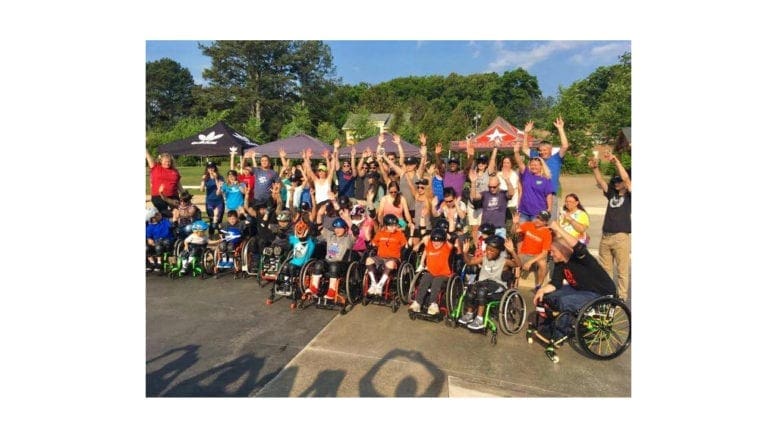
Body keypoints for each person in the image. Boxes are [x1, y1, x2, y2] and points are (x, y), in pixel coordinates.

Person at [533, 219, 617, 338]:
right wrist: (541, 290)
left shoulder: (581, 259)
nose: (551, 254)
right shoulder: (560, 264)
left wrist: (558, 229)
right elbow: (556, 283)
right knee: (549, 297)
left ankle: (559, 334)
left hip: (600, 292)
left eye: (553, 252)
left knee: (565, 302)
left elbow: (578, 246)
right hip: (581, 290)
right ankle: (550, 324)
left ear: (562, 251)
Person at [589, 151, 631, 301]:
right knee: (605, 269)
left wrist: (616, 161)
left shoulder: (630, 195)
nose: (616, 183)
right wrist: (595, 168)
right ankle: (607, 293)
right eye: (615, 181)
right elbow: (601, 182)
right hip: (606, 236)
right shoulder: (612, 194)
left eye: (618, 181)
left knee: (622, 269)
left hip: (621, 236)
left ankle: (622, 297)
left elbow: (626, 178)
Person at [457, 235, 520, 330]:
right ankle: (469, 315)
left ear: (498, 251)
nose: (488, 252)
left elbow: (518, 264)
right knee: (470, 290)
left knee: (482, 291)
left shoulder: (504, 261)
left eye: (492, 251)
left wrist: (512, 251)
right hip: (483, 283)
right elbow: (469, 262)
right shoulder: (484, 258)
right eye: (487, 249)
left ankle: (479, 319)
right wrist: (465, 253)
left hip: (497, 286)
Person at [520, 117, 570, 218]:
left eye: (545, 150)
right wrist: (526, 133)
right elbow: (524, 148)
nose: (542, 152)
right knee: (537, 222)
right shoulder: (536, 157)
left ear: (550, 150)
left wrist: (560, 129)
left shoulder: (556, 158)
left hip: (550, 195)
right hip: (535, 195)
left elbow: (565, 146)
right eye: (540, 150)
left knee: (550, 222)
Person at [304, 216, 356, 302]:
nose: (337, 230)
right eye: (335, 228)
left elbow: (356, 231)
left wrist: (347, 219)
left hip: (342, 263)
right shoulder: (331, 236)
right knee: (318, 264)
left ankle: (332, 290)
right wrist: (314, 225)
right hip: (328, 261)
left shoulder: (349, 238)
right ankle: (314, 287)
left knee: (334, 266)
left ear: (345, 228)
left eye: (340, 228)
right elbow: (320, 228)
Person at [408, 228, 453, 316]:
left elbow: (450, 241)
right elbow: (424, 236)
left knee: (436, 282)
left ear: (443, 241)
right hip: (431, 272)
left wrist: (445, 235)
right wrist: (431, 236)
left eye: (439, 242)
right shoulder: (429, 246)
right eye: (434, 241)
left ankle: (433, 304)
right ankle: (418, 302)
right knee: (424, 279)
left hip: (443, 274)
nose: (436, 243)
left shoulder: (446, 247)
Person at [365, 214, 408, 295]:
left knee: (390, 263)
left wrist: (406, 245)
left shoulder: (400, 234)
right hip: (380, 257)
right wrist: (371, 244)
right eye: (391, 226)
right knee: (368, 260)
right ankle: (374, 283)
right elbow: (374, 243)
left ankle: (380, 285)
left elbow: (405, 245)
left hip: (393, 258)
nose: (394, 227)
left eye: (395, 225)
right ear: (385, 226)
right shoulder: (380, 234)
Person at [513, 141, 553, 223]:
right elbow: (520, 163)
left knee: (535, 234)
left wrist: (549, 208)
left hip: (538, 213)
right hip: (524, 212)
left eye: (536, 165)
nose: (533, 166)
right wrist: (516, 152)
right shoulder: (526, 174)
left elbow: (549, 195)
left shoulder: (545, 179)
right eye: (532, 165)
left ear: (541, 166)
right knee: (522, 234)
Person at [465, 141, 498, 241]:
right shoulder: (472, 171)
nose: (481, 164)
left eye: (483, 162)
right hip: (472, 204)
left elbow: (492, 160)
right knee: (474, 229)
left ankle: (483, 247)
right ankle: (477, 249)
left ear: (486, 164)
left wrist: (495, 148)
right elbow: (468, 162)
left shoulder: (488, 173)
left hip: (483, 204)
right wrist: (468, 145)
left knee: (483, 228)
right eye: (479, 162)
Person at [515, 209, 553, 291]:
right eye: (538, 218)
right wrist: (515, 223)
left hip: (536, 257)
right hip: (524, 254)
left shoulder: (547, 233)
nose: (538, 221)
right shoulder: (529, 225)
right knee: (513, 260)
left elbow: (544, 253)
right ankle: (513, 284)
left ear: (545, 222)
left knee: (543, 264)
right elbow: (514, 231)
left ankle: (538, 286)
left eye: (541, 220)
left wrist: (530, 262)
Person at [277, 220, 316, 288]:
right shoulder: (295, 239)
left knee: (291, 267)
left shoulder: (310, 242)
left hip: (303, 264)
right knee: (285, 267)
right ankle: (286, 283)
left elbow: (314, 236)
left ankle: (293, 282)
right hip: (293, 262)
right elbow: (287, 237)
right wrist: (281, 234)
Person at [146, 149, 181, 218]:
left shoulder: (175, 171)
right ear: (161, 161)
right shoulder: (155, 168)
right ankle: (164, 226)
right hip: (158, 196)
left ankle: (174, 226)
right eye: (165, 161)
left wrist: (184, 193)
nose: (167, 163)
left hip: (173, 196)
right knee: (164, 213)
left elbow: (178, 184)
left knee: (176, 213)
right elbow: (148, 157)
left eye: (169, 162)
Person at [200, 161, 226, 237]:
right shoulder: (206, 177)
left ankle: (221, 237)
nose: (210, 169)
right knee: (212, 221)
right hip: (209, 202)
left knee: (218, 221)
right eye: (209, 167)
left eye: (212, 167)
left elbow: (219, 191)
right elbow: (201, 190)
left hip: (219, 201)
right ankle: (211, 237)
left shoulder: (220, 177)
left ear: (215, 168)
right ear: (207, 168)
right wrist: (203, 180)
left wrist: (216, 179)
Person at [146, 206, 174, 272]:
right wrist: (149, 239)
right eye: (153, 217)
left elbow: (172, 224)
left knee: (161, 246)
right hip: (156, 240)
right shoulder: (150, 226)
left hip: (167, 239)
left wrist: (174, 219)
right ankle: (152, 263)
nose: (155, 218)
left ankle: (161, 262)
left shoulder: (165, 221)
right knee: (146, 248)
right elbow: (149, 236)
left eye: (157, 215)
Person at [499, 155, 521, 226]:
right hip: (501, 205)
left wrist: (519, 204)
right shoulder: (498, 174)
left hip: (513, 205)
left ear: (511, 164)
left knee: (512, 227)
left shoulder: (515, 175)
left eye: (508, 163)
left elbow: (520, 190)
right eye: (504, 162)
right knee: (501, 227)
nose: (505, 164)